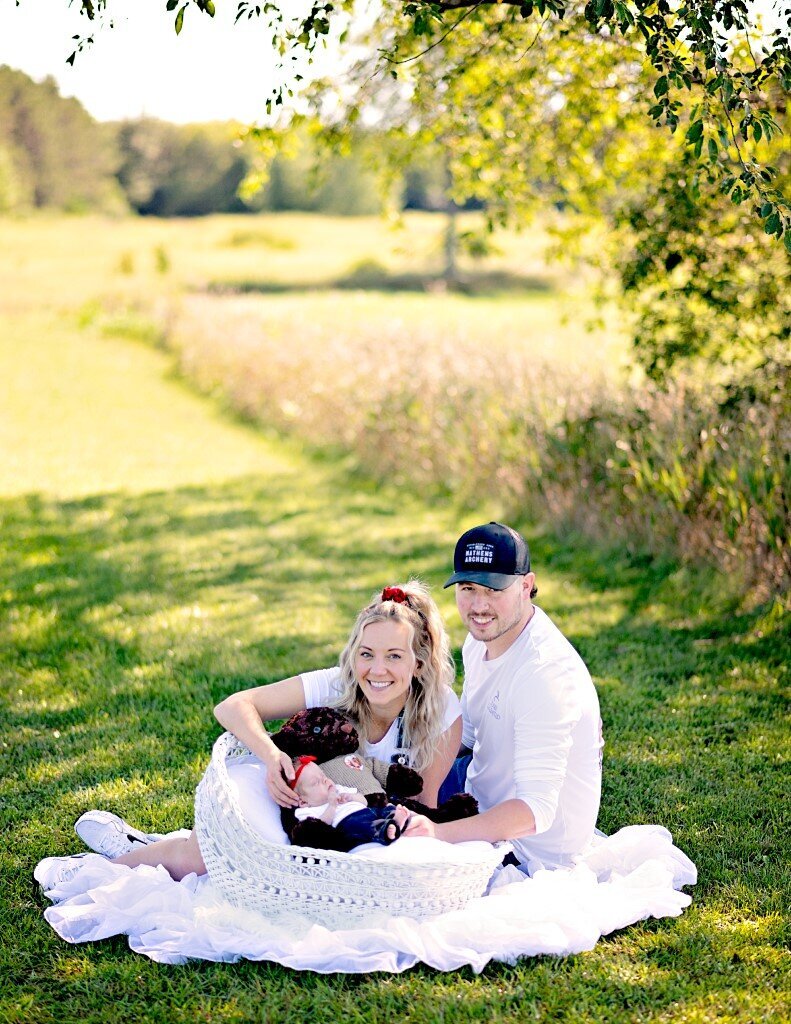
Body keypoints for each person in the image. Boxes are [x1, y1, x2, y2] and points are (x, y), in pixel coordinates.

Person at [73, 580, 462, 873]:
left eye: (394, 656)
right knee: (210, 857)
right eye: (366, 654)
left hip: (356, 824)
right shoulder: (337, 684)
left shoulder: (441, 710)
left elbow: (420, 805)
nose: (377, 670)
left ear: (419, 664)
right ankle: (110, 869)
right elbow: (233, 706)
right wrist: (273, 755)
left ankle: (145, 846)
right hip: (290, 798)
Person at [414, 522, 603, 871]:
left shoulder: (544, 675)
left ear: (526, 586)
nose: (479, 605)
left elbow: (535, 811)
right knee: (364, 780)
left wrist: (437, 833)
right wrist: (412, 767)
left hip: (525, 849)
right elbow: (468, 734)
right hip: (475, 792)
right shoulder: (481, 640)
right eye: (468, 588)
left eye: (493, 589)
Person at [288, 755, 412, 847]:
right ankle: (385, 830)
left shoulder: (338, 789)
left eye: (323, 776)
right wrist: (332, 806)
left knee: (385, 808)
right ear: (303, 801)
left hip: (367, 811)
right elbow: (319, 828)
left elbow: (364, 801)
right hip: (348, 823)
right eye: (316, 782)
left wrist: (351, 797)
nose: (325, 780)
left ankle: (395, 818)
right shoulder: (307, 811)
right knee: (360, 825)